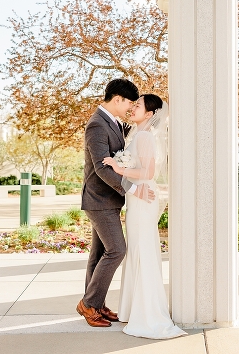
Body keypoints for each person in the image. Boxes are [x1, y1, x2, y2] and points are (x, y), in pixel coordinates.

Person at [103, 94, 186, 339]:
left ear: (149, 114)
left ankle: (148, 313)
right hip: (137, 197)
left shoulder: (145, 136)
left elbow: (148, 171)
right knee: (137, 249)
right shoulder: (137, 134)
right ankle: (132, 308)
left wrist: (119, 168)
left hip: (143, 197)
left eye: (137, 105)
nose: (133, 108)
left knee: (143, 250)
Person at [76, 78, 155, 328]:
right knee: (117, 250)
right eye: (129, 103)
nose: (131, 108)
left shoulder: (115, 123)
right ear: (117, 99)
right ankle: (89, 304)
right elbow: (101, 169)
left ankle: (95, 304)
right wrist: (132, 188)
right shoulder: (97, 125)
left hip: (108, 200)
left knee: (99, 253)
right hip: (99, 199)